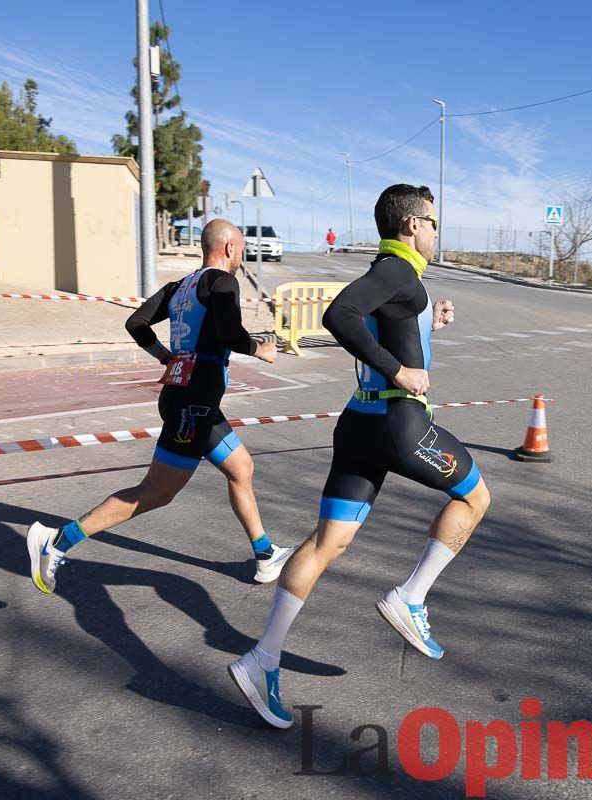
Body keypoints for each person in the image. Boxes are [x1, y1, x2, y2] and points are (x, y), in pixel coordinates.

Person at [228, 184, 491, 729]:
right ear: (413, 225)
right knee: (475, 495)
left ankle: (262, 660)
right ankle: (411, 598)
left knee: (328, 542)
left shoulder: (396, 277)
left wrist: (426, 323)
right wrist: (400, 372)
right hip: (400, 424)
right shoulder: (397, 271)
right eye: (434, 223)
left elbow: (376, 323)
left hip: (360, 426)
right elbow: (339, 314)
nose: (438, 232)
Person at [25, 219, 293, 594]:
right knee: (156, 492)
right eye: (241, 248)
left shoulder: (179, 287)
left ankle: (265, 556)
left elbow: (136, 323)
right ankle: (55, 542)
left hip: (186, 394)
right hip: (194, 401)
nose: (242, 256)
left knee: (241, 467)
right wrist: (260, 349)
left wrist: (165, 356)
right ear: (230, 248)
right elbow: (231, 334)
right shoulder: (222, 282)